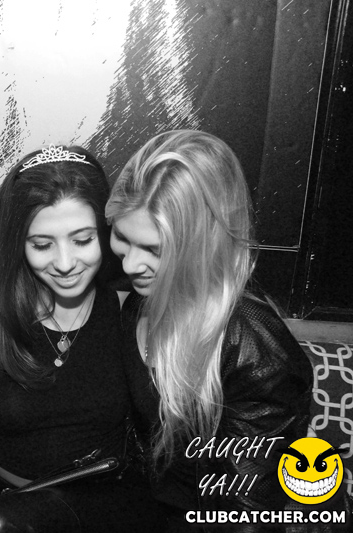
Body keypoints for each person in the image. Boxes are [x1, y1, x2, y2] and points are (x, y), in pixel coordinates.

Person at [0, 145, 163, 532]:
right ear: (18, 243)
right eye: (42, 245)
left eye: (82, 240)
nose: (64, 263)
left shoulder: (131, 311)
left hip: (109, 504)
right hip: (6, 510)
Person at [105, 130, 314, 530]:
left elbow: (248, 512)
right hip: (144, 506)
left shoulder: (254, 347)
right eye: (122, 237)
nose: (130, 264)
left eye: (154, 249)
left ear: (203, 245)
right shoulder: (141, 299)